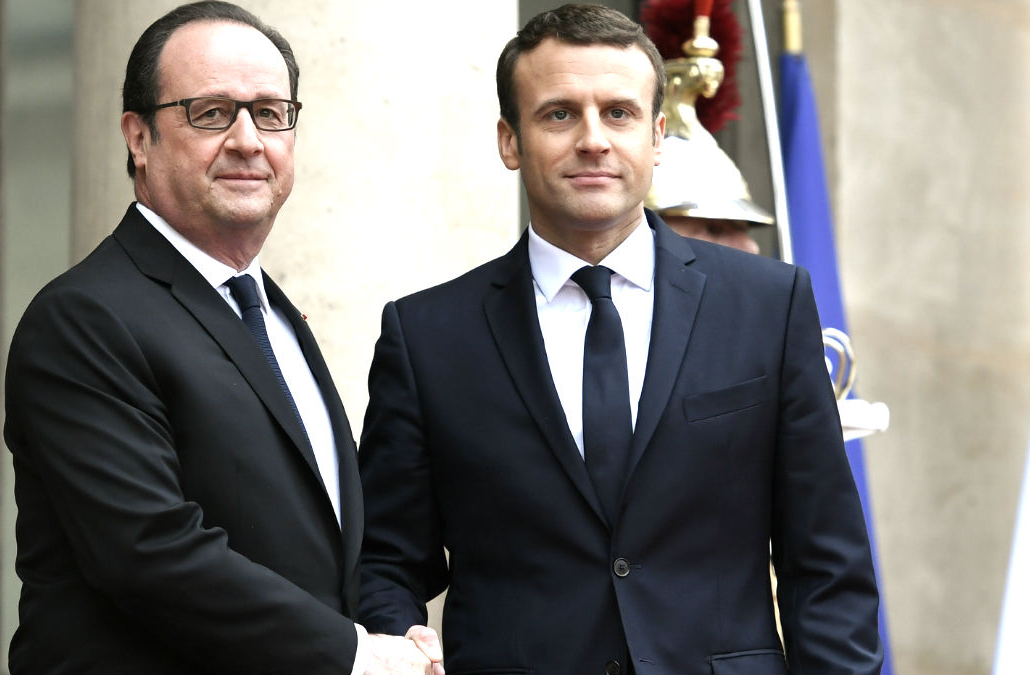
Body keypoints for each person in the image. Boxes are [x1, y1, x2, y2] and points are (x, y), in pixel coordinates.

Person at [356, 4, 883, 674]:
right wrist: (401, 638)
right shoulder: (427, 336)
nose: (593, 139)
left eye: (620, 112)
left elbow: (827, 564)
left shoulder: (768, 306)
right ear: (509, 139)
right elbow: (384, 557)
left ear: (658, 136)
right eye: (558, 113)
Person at [3, 2, 442, 672]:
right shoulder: (85, 318)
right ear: (138, 136)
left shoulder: (273, 315)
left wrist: (393, 627)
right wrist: (357, 655)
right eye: (211, 112)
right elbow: (152, 553)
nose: (248, 139)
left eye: (270, 112)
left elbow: (322, 551)